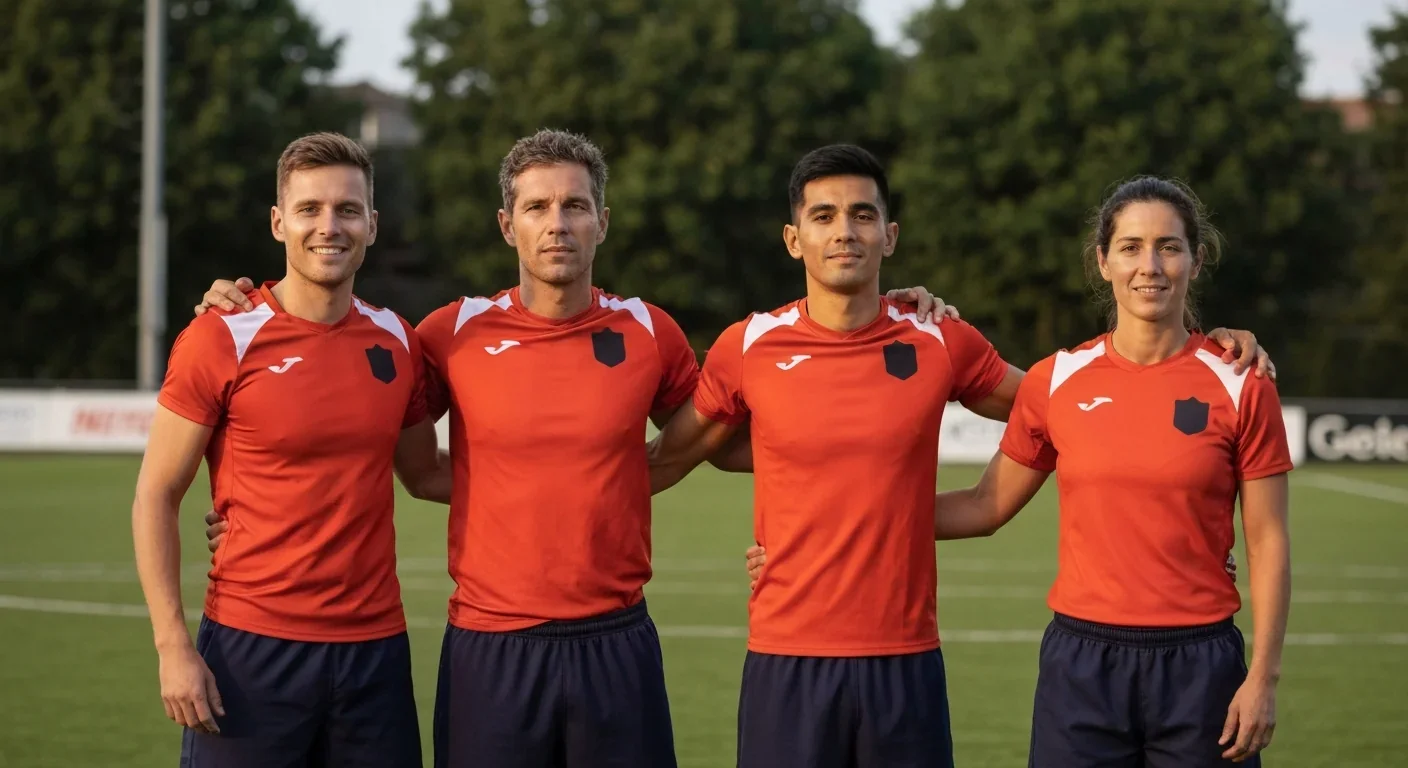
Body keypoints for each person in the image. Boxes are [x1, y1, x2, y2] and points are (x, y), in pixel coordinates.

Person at [190, 129, 949, 768]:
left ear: (602, 222)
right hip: (490, 646)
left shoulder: (649, 332)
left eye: (575, 206)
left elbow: (756, 436)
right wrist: (242, 303)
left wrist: (806, 519)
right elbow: (374, 442)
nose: (557, 223)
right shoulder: (447, 334)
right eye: (538, 207)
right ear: (506, 225)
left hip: (616, 642)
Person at [745, 176, 1290, 767]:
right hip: (1081, 664)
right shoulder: (1057, 381)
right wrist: (816, 533)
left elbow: (1267, 539)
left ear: (1196, 259)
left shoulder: (1241, 382)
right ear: (1103, 262)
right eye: (1131, 247)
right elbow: (984, 507)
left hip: (1201, 663)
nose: (1150, 266)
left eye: (1169, 246)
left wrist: (1263, 677)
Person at [131, 132, 449, 767]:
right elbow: (156, 495)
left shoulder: (397, 341)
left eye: (347, 210)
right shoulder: (221, 334)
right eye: (309, 209)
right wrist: (172, 646)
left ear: (373, 225)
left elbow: (425, 475)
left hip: (374, 654)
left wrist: (570, 474)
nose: (328, 226)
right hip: (251, 650)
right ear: (279, 222)